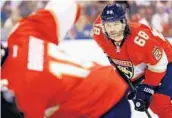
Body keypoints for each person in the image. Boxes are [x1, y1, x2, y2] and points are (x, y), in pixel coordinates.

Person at [2, 1, 132, 118]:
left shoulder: (16, 89)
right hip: (110, 81)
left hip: (98, 108)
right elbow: (64, 7)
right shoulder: (22, 33)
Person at [93, 3, 172, 118]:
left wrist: (147, 87)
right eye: (108, 26)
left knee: (159, 102)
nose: (112, 30)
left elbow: (160, 64)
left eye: (116, 24)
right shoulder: (99, 33)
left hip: (166, 61)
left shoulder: (140, 40)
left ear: (124, 23)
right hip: (141, 66)